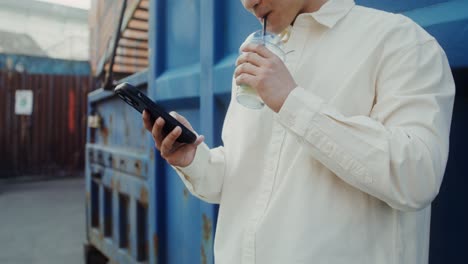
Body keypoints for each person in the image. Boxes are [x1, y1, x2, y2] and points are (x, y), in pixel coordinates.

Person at [142, 0, 455, 263]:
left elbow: (418, 175)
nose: (248, 2)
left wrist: (292, 102)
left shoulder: (399, 41)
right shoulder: (255, 50)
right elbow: (243, 178)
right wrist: (193, 160)